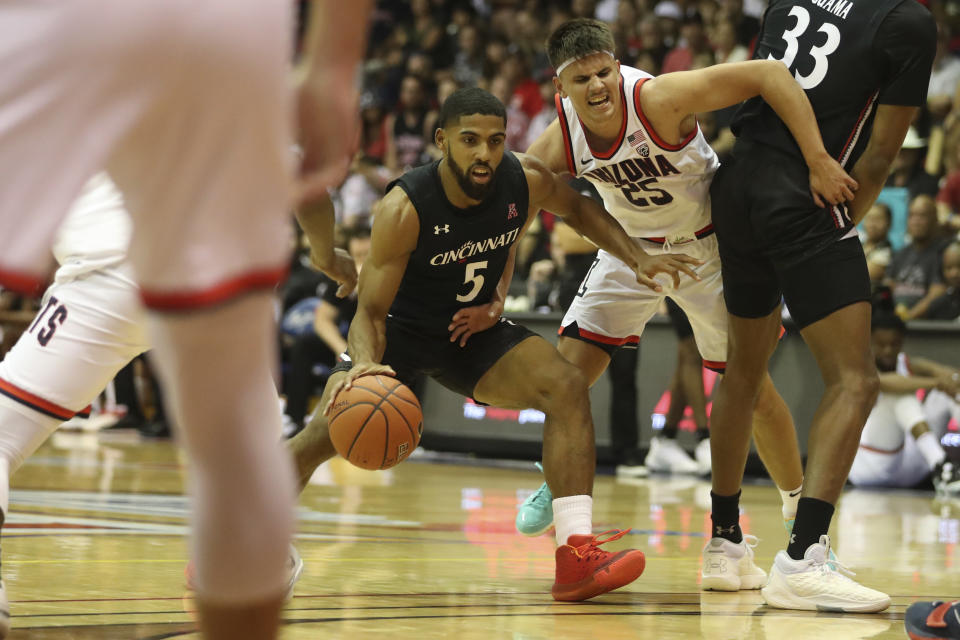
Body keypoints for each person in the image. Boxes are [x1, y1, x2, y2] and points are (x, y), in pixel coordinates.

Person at [0, 3, 371, 637]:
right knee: (243, 472)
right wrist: (324, 251)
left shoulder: (57, 40)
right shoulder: (227, 39)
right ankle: (253, 572)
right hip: (215, 278)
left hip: (112, 278)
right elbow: (309, 180)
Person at [288, 87, 702, 602]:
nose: (485, 153)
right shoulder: (404, 207)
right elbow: (369, 314)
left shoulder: (522, 178)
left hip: (471, 336)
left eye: (495, 140)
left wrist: (637, 257)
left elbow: (579, 209)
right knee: (307, 446)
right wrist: (368, 365)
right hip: (399, 337)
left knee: (567, 386)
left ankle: (576, 555)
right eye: (470, 141)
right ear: (441, 141)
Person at [517, 17, 851, 544]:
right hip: (631, 251)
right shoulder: (560, 137)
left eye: (604, 72)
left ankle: (800, 524)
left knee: (753, 392)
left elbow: (769, 74)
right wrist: (494, 289)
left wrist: (817, 159)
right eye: (582, 81)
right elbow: (518, 202)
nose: (598, 86)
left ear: (617, 64)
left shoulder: (659, 98)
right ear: (560, 87)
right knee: (564, 379)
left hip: (708, 251)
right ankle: (554, 479)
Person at [706, 0, 936, 612]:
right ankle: (804, 557)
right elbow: (882, 153)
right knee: (855, 381)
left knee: (743, 371)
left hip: (734, 181)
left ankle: (723, 544)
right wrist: (837, 228)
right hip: (800, 191)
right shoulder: (907, 21)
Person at [847, 311, 960, 491]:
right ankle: (941, 464)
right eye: (881, 345)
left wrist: (951, 381)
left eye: (894, 344)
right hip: (868, 463)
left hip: (908, 464)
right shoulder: (861, 366)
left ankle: (944, 471)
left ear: (902, 342)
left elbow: (954, 377)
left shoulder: (908, 363)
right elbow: (888, 383)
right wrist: (937, 382)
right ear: (869, 342)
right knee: (899, 395)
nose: (888, 350)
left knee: (950, 393)